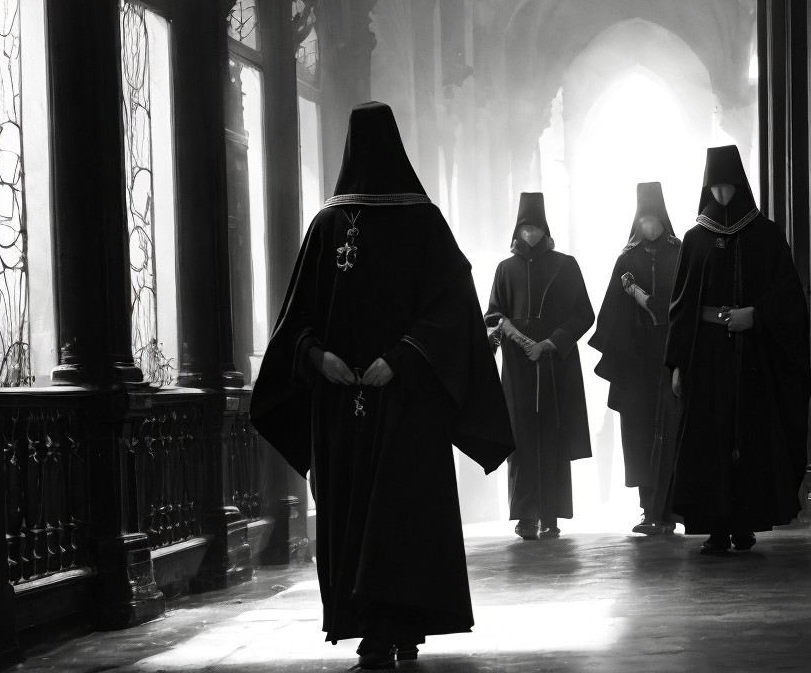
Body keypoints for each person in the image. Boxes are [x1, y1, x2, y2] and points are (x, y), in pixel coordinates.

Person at [250, 102, 514, 670]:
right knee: (378, 511)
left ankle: (396, 623)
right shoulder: (333, 225)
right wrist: (318, 358)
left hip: (402, 402)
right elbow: (297, 324)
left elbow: (451, 311)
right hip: (361, 401)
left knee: (398, 512)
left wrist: (400, 359)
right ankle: (377, 625)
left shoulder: (409, 222)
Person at [665, 145, 811, 554]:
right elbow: (681, 307)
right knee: (709, 437)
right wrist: (677, 363)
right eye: (716, 186)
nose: (723, 194)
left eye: (728, 185)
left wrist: (757, 315)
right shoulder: (694, 239)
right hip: (706, 356)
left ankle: (745, 522)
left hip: (752, 355)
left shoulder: (766, 234)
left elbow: (788, 298)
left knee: (750, 435)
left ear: (741, 185)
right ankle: (714, 527)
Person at [485, 193, 594, 540]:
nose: (530, 233)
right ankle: (526, 515)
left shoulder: (566, 264)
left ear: (546, 230)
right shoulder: (505, 268)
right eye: (525, 226)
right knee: (520, 438)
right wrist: (515, 337)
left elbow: (583, 314)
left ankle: (552, 515)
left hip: (554, 365)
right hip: (518, 368)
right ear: (517, 231)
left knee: (553, 435)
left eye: (536, 226)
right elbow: (492, 315)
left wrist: (550, 343)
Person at [588, 181, 682, 536]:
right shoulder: (626, 259)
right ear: (637, 220)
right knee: (641, 432)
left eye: (655, 218)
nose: (650, 225)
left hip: (671, 355)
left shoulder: (680, 253)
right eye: (644, 219)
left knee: (673, 427)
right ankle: (648, 509)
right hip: (637, 361)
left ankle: (671, 508)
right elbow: (610, 314)